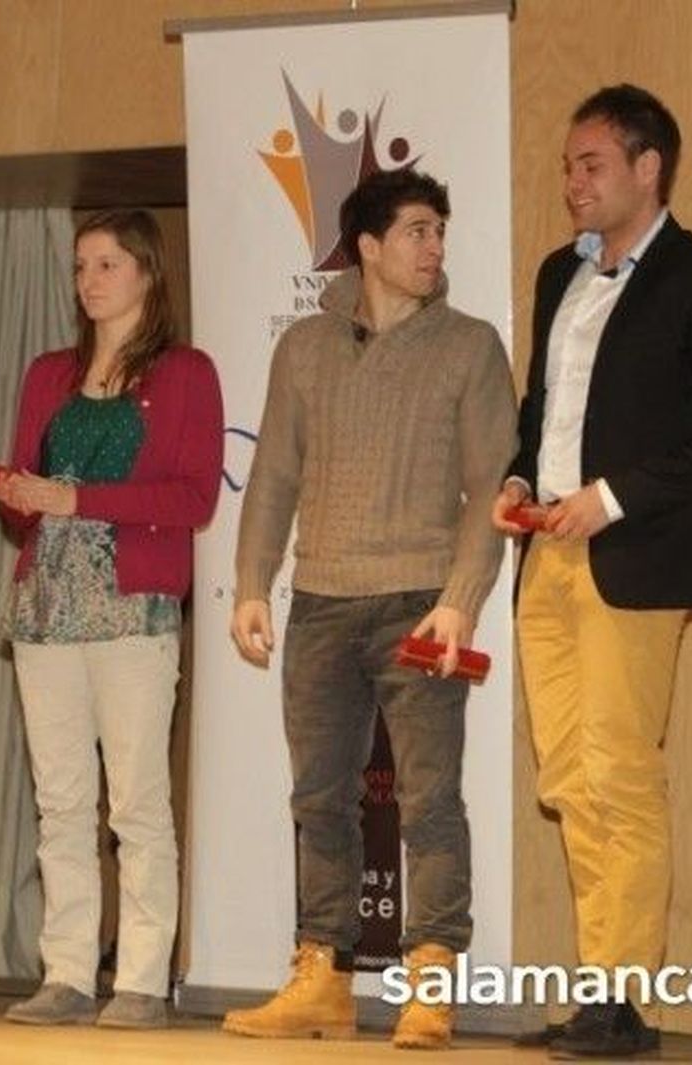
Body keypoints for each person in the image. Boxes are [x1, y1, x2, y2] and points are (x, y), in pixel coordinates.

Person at [223, 168, 517, 1051]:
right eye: (419, 232)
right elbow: (273, 474)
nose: (435, 249)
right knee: (319, 798)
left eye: (440, 232)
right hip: (318, 600)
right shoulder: (304, 348)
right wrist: (249, 583)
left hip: (421, 602)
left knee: (428, 801)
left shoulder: (470, 346)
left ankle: (432, 980)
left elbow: (490, 492)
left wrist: (461, 600)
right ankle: (322, 976)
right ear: (370, 246)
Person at [492, 83, 692, 1060]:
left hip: (630, 552)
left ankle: (622, 997)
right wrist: (520, 474)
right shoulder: (560, 274)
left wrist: (613, 495)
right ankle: (599, 984)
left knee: (619, 773)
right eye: (567, 165)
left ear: (649, 168)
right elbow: (541, 404)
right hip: (544, 553)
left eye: (591, 164)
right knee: (567, 777)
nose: (573, 183)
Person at [0, 209, 223, 1029]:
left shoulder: (188, 373)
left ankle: (140, 976)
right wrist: (19, 494)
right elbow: (26, 491)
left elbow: (193, 497)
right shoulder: (47, 372)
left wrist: (76, 497)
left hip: (133, 607)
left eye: (106, 264)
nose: (89, 281)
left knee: (136, 802)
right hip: (46, 608)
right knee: (59, 800)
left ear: (146, 275)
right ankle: (63, 972)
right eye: (81, 266)